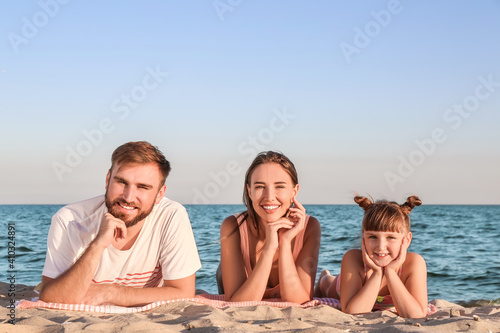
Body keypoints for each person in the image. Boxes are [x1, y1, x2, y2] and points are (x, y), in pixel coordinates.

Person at [39, 141, 201, 306]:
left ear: (160, 194)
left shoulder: (171, 215)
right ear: (108, 179)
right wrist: (98, 244)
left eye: (143, 187)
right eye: (122, 182)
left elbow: (183, 293)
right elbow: (51, 298)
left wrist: (108, 292)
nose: (129, 197)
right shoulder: (69, 220)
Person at [217, 151, 321, 303]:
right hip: (231, 285)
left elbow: (298, 302)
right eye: (260, 187)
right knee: (223, 273)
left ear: (294, 191)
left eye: (279, 186)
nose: (269, 197)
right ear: (249, 191)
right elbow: (237, 304)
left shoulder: (309, 227)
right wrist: (270, 247)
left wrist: (284, 242)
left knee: (325, 285)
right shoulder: (233, 226)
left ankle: (326, 279)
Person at [315, 195, 429, 318]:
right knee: (326, 284)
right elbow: (353, 311)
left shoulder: (414, 263)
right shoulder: (353, 258)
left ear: (406, 240)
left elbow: (416, 315)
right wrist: (377, 273)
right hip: (338, 288)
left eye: (390, 237)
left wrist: (390, 272)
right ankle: (324, 276)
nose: (380, 246)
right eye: (372, 237)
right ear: (363, 237)